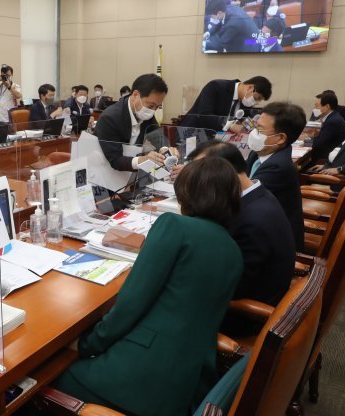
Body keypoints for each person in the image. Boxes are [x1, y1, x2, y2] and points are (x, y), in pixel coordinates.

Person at [53, 156, 243, 416]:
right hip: (184, 384)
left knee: (46, 378)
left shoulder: (174, 225)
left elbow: (130, 303)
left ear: (186, 192)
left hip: (137, 378)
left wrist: (87, 345)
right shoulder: (233, 249)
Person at [188, 141, 295, 309]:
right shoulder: (258, 194)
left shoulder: (252, 222)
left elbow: (233, 288)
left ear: (224, 173)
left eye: (200, 175)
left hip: (242, 314)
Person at [246, 101, 305, 251]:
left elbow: (243, 196)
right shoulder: (260, 152)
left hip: (275, 244)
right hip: (259, 224)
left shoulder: (279, 167)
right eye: (255, 126)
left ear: (280, 138)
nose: (253, 133)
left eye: (260, 129)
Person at [96, 74, 168, 172]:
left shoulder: (146, 112)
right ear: (135, 95)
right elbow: (115, 160)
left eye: (157, 107)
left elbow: (157, 135)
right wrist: (143, 160)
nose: (153, 111)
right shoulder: (110, 118)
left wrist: (164, 149)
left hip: (128, 175)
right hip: (103, 172)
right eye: (151, 106)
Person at [181, 76, 272, 133]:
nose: (255, 102)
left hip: (217, 139)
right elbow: (204, 115)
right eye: (256, 98)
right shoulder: (216, 86)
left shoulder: (245, 102)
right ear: (250, 88)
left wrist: (254, 127)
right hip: (193, 132)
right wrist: (230, 126)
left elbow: (244, 120)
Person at [307, 91, 345, 163]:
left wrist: (310, 137)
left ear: (327, 107)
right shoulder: (332, 117)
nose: (314, 109)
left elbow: (318, 145)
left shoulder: (333, 121)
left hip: (324, 160)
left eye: (316, 106)